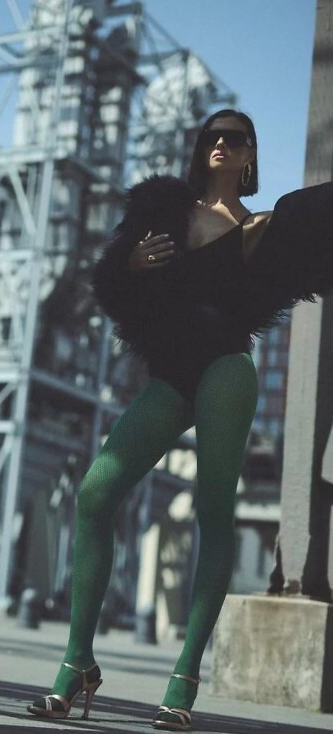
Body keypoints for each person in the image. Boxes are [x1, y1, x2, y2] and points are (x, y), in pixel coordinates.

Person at [27, 108, 333, 731]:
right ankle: (78, 662)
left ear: (249, 155)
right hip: (169, 377)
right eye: (212, 136)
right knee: (95, 494)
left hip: (225, 370)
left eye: (235, 138)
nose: (221, 144)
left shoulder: (260, 228)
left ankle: (183, 680)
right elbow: (109, 285)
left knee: (213, 515)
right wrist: (131, 266)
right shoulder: (164, 211)